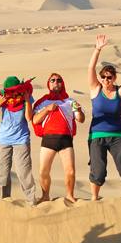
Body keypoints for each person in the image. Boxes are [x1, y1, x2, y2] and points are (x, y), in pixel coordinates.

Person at [87, 34, 121, 200]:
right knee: (98, 170)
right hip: (97, 136)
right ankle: (94, 199)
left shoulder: (120, 91)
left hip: (118, 136)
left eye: (109, 77)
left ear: (114, 78)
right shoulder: (96, 88)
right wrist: (97, 49)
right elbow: (90, 69)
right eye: (103, 76)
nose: (105, 80)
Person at [32, 73, 85, 204]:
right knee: (43, 171)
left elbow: (80, 119)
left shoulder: (70, 101)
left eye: (59, 80)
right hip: (48, 140)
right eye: (53, 80)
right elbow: (35, 120)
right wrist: (47, 110)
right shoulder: (42, 102)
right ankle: (45, 196)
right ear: (48, 84)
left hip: (66, 140)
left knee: (70, 171)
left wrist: (79, 110)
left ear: (62, 83)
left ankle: (70, 195)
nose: (56, 82)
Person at [0, 76, 35, 203]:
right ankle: (5, 199)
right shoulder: (3, 100)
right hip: (3, 140)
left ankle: (31, 200)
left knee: (23, 171)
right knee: (2, 171)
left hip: (21, 139)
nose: (13, 93)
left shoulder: (27, 97)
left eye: (15, 90)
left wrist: (26, 101)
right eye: (10, 91)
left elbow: (29, 118)